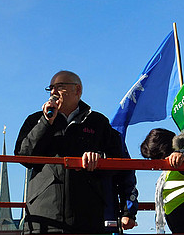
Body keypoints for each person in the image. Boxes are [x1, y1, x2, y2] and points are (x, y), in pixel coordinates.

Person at [14, 70, 135, 234]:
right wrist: (46, 122)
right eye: (50, 88)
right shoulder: (35, 120)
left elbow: (118, 162)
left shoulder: (98, 123)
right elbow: (24, 157)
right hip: (43, 217)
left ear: (77, 90)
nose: (53, 92)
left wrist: (99, 159)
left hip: (87, 217)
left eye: (59, 87)